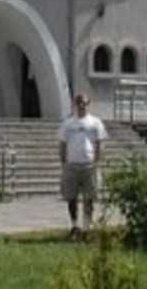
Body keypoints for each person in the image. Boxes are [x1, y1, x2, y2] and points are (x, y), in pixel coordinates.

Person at [58, 93, 107, 239]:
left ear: (88, 104)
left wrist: (97, 161)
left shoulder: (95, 122)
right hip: (72, 165)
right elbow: (62, 144)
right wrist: (64, 163)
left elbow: (100, 143)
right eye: (79, 103)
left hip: (89, 165)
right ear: (74, 104)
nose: (82, 106)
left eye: (84, 103)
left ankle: (87, 228)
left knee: (89, 197)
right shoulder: (68, 124)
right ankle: (74, 226)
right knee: (71, 197)